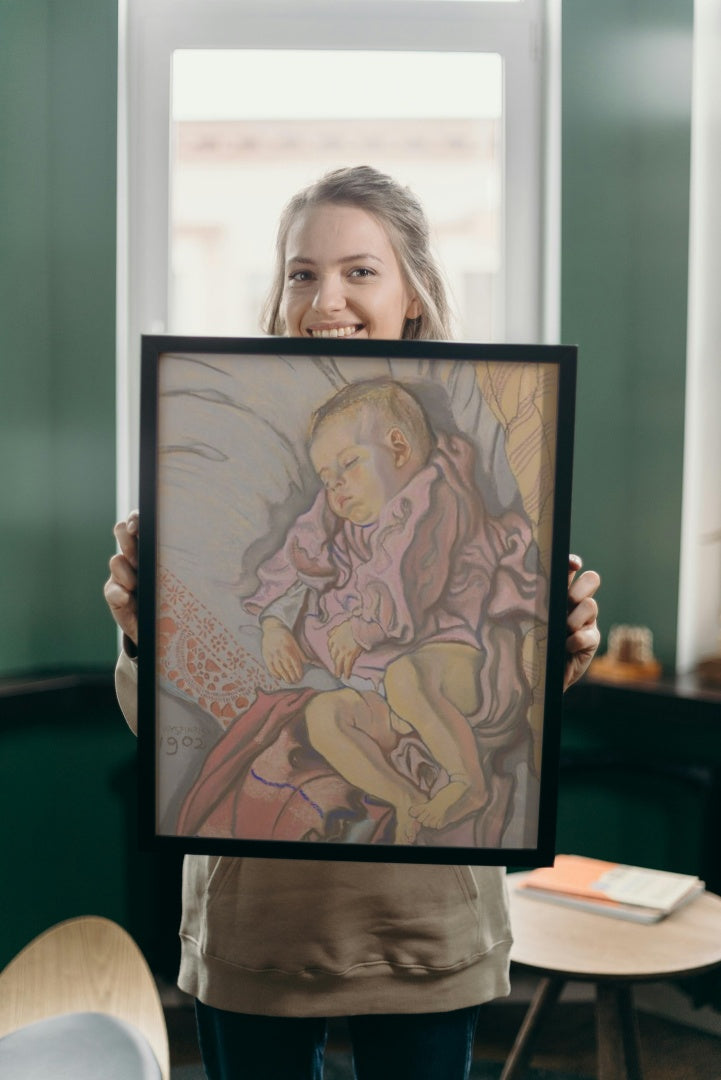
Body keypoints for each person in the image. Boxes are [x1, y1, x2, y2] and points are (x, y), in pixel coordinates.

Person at [105, 165, 601, 1080]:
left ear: (412, 291)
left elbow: (510, 690)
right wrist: (151, 634)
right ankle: (410, 784)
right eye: (301, 272)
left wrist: (554, 645)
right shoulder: (254, 473)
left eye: (359, 271)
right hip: (259, 923)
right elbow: (168, 730)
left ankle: (431, 790)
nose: (324, 297)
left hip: (422, 919)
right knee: (321, 714)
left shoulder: (465, 473)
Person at [244, 376, 540, 843]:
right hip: (380, 686)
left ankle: (468, 782)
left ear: (399, 449)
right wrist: (274, 623)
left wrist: (363, 628)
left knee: (408, 678)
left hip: (455, 659)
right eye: (326, 478)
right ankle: (405, 800)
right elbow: (296, 554)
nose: (336, 488)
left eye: (349, 466)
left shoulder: (434, 497)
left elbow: (413, 583)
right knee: (324, 716)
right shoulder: (340, 512)